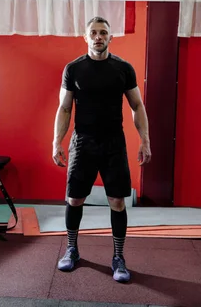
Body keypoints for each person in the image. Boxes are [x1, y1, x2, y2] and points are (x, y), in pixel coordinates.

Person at [52, 16, 151, 283]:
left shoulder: (123, 68)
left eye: (103, 33)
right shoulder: (73, 69)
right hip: (82, 142)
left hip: (113, 143)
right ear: (86, 37)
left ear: (110, 37)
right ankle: (71, 249)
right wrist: (56, 141)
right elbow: (64, 108)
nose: (98, 37)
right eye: (93, 32)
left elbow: (137, 106)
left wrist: (145, 140)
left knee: (117, 201)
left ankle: (118, 257)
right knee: (74, 199)